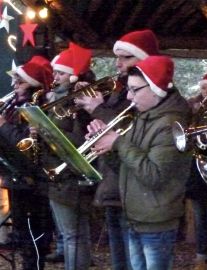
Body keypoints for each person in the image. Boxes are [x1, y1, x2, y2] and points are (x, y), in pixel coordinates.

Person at [86, 55, 192, 270]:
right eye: (129, 89)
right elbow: (127, 168)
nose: (129, 96)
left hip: (156, 220)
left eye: (135, 90)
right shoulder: (143, 116)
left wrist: (118, 142)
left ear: (155, 89)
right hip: (137, 215)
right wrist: (106, 149)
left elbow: (154, 176)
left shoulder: (170, 124)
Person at [75, 29, 159, 270]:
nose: (118, 63)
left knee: (133, 260)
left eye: (126, 57)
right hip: (111, 180)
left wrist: (97, 109)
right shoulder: (119, 89)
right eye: (118, 57)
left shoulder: (147, 93)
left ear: (143, 59)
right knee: (120, 259)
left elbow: (127, 129)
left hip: (130, 184)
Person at [41, 42, 95, 270]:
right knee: (76, 234)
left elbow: (82, 139)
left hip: (69, 176)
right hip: (61, 175)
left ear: (73, 76)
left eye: (61, 73)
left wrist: (48, 130)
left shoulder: (77, 102)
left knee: (72, 235)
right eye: (55, 72)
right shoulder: (56, 99)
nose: (56, 77)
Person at [0, 55, 54, 270]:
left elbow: (26, 144)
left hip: (34, 181)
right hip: (17, 177)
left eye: (20, 81)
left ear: (34, 84)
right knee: (23, 234)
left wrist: (3, 125)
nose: (14, 85)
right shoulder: (14, 106)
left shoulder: (39, 107)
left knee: (34, 237)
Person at [186, 71, 207, 270]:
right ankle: (201, 256)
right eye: (203, 88)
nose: (205, 91)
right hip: (196, 168)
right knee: (199, 217)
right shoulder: (194, 107)